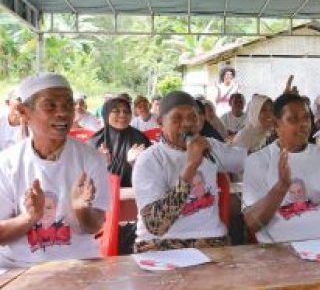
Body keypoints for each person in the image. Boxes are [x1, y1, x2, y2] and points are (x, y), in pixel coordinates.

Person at [0, 73, 109, 267]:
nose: (63, 113)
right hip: (18, 267)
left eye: (68, 105)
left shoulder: (92, 158)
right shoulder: (7, 163)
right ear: (24, 112)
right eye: (50, 106)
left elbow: (95, 226)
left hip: (77, 265)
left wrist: (81, 209)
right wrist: (30, 217)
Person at [131, 91, 246, 252]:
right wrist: (191, 166)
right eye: (177, 118)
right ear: (160, 122)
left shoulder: (210, 147)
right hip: (160, 244)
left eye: (192, 117)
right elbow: (156, 225)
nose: (187, 124)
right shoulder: (150, 159)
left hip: (211, 239)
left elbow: (248, 161)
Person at [243, 93, 320, 243]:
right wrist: (280, 188)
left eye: (306, 117)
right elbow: (251, 223)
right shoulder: (258, 160)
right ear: (276, 125)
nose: (304, 124)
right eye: (293, 119)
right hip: (281, 248)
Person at [89, 97, 151, 188]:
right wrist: (103, 164)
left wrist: (134, 163)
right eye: (116, 111)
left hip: (133, 192)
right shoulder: (95, 142)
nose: (122, 115)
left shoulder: (140, 139)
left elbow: (150, 174)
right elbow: (86, 177)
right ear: (106, 114)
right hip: (102, 192)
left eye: (126, 112)